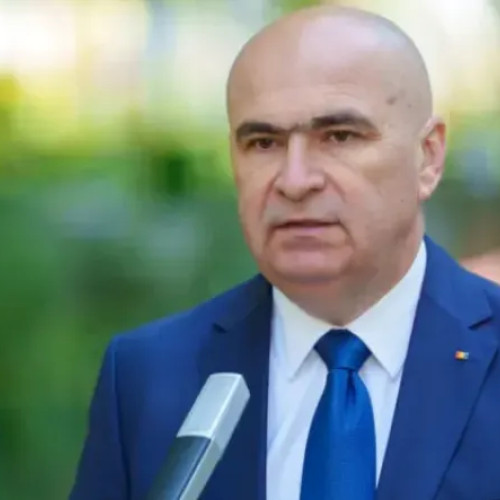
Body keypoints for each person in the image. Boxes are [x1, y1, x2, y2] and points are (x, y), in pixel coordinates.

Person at [70, 6, 500, 500]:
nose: (295, 181)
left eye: (339, 136)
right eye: (263, 143)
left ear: (428, 157)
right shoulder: (149, 377)